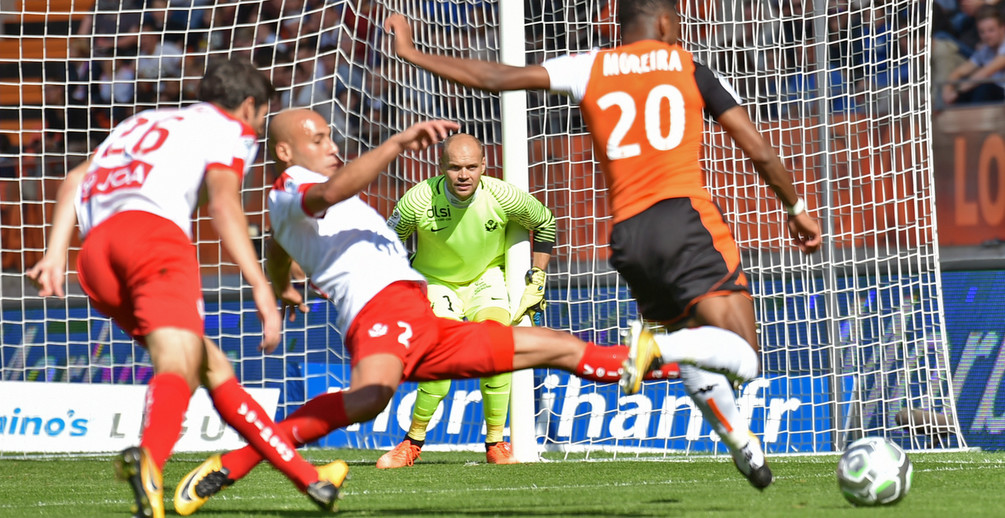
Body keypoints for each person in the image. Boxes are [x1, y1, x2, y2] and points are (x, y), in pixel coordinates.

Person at [171, 107, 743, 515]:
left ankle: (679, 365)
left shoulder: (291, 205)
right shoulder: (296, 187)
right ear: (286, 152)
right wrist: (396, 144)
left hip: (424, 318)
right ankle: (237, 462)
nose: (332, 145)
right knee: (370, 401)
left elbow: (278, 243)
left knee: (553, 347)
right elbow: (326, 195)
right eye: (318, 138)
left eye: (330, 137)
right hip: (383, 314)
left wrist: (281, 286)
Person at [384, 0, 822, 490]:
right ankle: (656, 348)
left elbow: (494, 77)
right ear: (663, 21)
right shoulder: (687, 67)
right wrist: (795, 205)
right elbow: (755, 146)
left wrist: (412, 52)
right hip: (686, 221)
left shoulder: (589, 66)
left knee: (696, 351)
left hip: (630, 237)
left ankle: (742, 445)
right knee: (739, 351)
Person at [25, 59, 348, 518]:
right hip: (151, 241)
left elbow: (76, 179)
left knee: (209, 364)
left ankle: (307, 478)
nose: (257, 128)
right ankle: (151, 464)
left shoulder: (142, 121)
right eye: (260, 117)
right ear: (250, 105)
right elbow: (224, 205)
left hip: (94, 257)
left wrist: (56, 253)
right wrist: (259, 283)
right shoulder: (230, 130)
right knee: (179, 360)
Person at [377, 133, 556, 468]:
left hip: (485, 280)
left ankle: (496, 444)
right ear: (441, 166)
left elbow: (545, 222)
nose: (464, 175)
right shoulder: (417, 201)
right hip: (435, 281)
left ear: (484, 166)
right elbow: (389, 244)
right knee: (443, 356)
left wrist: (539, 274)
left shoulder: (502, 195)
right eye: (456, 167)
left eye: (472, 167)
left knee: (496, 346)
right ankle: (412, 443)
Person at [942, 5, 1005, 105]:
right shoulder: (985, 49)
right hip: (995, 98)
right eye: (982, 32)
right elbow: (959, 71)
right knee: (966, 92)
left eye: (991, 30)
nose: (986, 36)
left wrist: (957, 91)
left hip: (999, 98)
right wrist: (947, 89)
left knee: (983, 87)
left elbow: (986, 72)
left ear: (1002, 28)